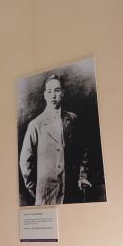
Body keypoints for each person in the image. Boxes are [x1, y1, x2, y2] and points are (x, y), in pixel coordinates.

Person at [19, 74, 91, 205]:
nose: (53, 95)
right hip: (46, 197)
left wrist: (82, 176)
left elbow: (83, 150)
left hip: (71, 194)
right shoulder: (36, 125)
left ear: (63, 93)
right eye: (49, 91)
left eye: (57, 90)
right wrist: (37, 189)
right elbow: (25, 162)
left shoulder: (72, 119)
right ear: (45, 95)